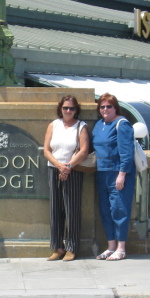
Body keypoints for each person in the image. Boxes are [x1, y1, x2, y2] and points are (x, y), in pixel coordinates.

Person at [43, 95, 89, 261]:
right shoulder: (53, 125)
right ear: (60, 109)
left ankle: (72, 247)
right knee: (55, 209)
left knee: (72, 210)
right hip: (54, 169)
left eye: (71, 108)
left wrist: (68, 167)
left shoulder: (81, 126)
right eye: (65, 108)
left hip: (73, 170)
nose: (68, 111)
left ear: (76, 110)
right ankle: (57, 247)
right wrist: (59, 165)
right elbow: (46, 150)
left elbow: (84, 151)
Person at [93, 93, 135, 261]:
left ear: (115, 108)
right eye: (102, 106)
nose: (105, 109)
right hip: (101, 172)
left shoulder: (122, 124)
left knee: (119, 210)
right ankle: (111, 246)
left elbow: (127, 152)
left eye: (108, 106)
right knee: (105, 211)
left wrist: (122, 175)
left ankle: (121, 247)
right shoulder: (99, 125)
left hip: (117, 173)